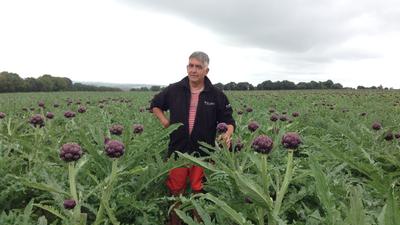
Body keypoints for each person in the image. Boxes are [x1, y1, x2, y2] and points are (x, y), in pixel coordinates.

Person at [150, 51, 235, 225]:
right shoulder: (174, 89)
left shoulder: (216, 95)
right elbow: (155, 105)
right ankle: (175, 222)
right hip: (178, 152)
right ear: (187, 67)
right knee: (175, 191)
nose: (193, 70)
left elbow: (228, 120)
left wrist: (227, 133)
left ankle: (198, 221)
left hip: (203, 153)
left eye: (198, 66)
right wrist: (166, 122)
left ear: (206, 70)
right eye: (191, 65)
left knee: (200, 191)